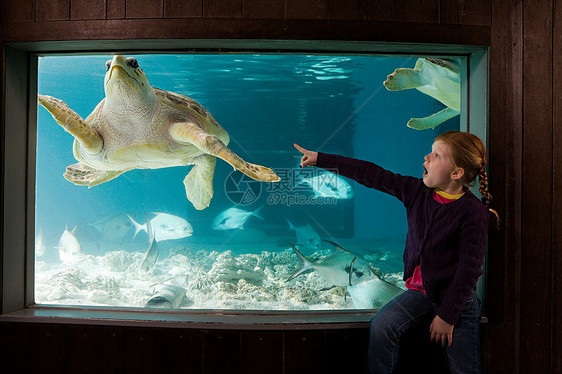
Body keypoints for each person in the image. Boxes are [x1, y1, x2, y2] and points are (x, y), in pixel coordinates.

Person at [294, 131, 498, 374]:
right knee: (382, 326)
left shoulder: (473, 212)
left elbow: (469, 270)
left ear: (456, 173)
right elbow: (372, 174)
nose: (426, 157)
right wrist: (320, 159)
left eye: (436, 155)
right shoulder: (416, 192)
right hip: (421, 293)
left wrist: (447, 316)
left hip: (457, 299)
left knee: (465, 368)